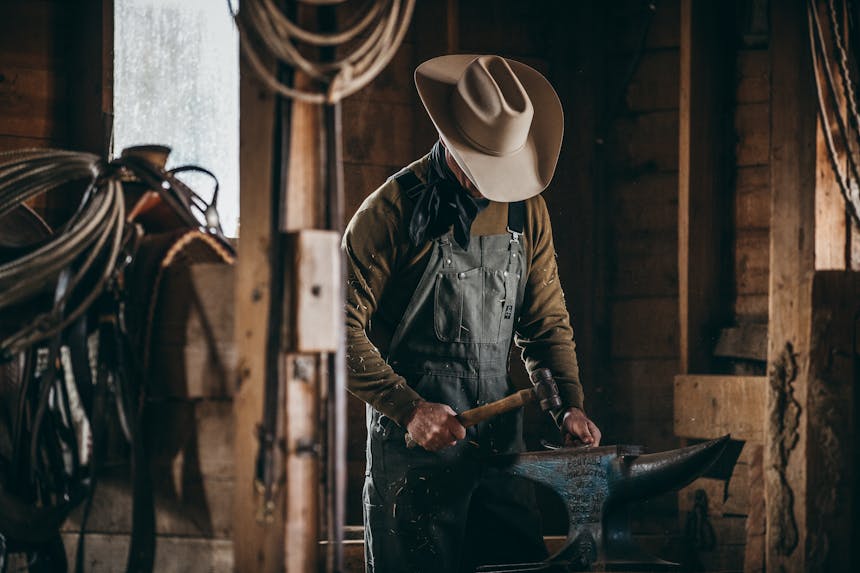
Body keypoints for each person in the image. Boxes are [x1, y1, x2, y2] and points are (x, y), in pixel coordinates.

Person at [343, 54, 602, 573]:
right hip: (413, 455)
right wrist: (408, 408)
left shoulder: (528, 211)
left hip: (500, 454)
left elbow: (544, 322)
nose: (492, 186)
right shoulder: (391, 211)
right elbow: (332, 326)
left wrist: (566, 405)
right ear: (452, 140)